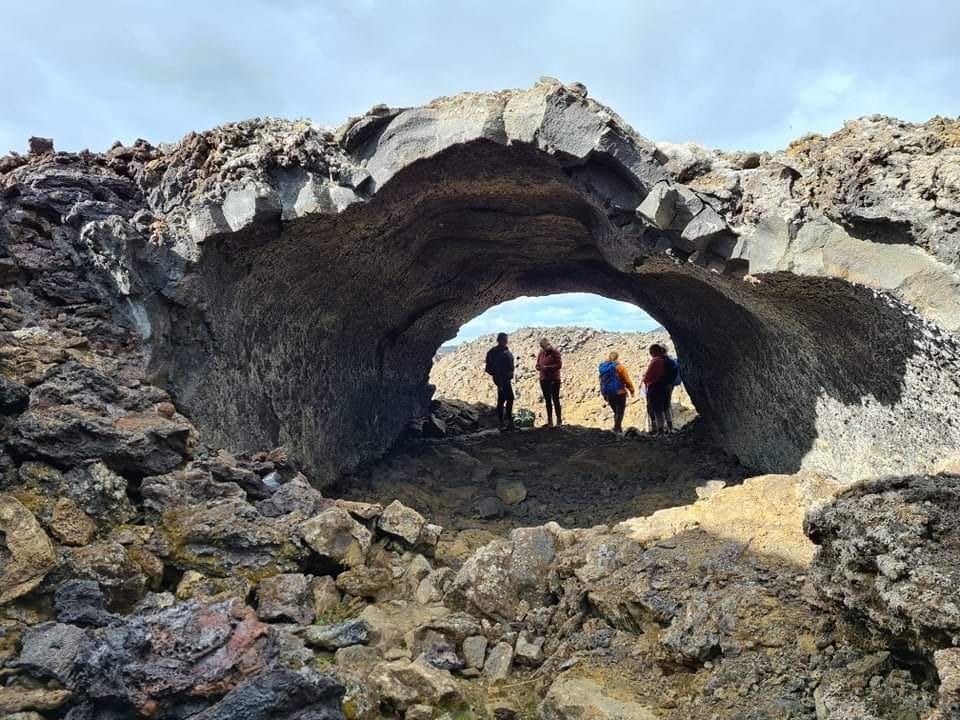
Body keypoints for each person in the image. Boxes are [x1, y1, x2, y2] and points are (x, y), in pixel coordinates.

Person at [642, 343, 680, 434]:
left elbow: (647, 377)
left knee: (658, 410)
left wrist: (645, 379)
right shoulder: (668, 360)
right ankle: (670, 428)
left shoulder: (656, 361)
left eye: (651, 352)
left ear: (654, 351)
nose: (650, 354)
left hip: (656, 388)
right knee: (666, 407)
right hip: (667, 386)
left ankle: (660, 431)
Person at [598, 351, 634, 434]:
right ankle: (617, 429)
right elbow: (626, 380)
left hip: (608, 393)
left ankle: (618, 428)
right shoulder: (620, 367)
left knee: (616, 412)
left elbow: (601, 381)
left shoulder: (603, 368)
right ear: (617, 358)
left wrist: (604, 393)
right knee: (620, 412)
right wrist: (631, 390)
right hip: (619, 392)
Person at [485, 332, 515, 431]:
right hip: (500, 379)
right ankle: (502, 421)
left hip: (507, 379)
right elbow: (489, 367)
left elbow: (510, 365)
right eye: (504, 340)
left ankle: (507, 420)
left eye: (506, 340)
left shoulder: (506, 351)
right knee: (503, 399)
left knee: (509, 398)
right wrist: (497, 376)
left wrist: (510, 373)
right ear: (499, 340)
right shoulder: (493, 352)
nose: (506, 342)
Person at [536, 338, 563, 426]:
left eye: (544, 347)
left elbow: (559, 365)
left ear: (548, 344)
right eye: (542, 348)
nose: (544, 349)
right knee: (547, 400)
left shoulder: (555, 353)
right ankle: (550, 420)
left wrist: (547, 368)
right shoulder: (541, 353)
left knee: (555, 399)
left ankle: (559, 420)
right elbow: (538, 363)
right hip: (543, 379)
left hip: (553, 379)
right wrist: (538, 367)